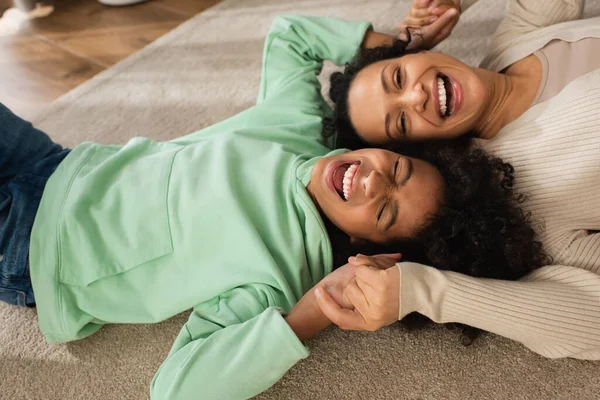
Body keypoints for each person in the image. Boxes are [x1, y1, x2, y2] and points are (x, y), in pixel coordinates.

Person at [0, 15, 544, 399]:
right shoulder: (299, 130)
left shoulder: (276, 275)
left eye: (383, 211)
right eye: (397, 168)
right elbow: (293, 36)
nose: (375, 182)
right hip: (59, 165)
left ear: (362, 245)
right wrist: (387, 42)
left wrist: (307, 317)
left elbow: (177, 386)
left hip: (31, 248)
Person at [316, 0, 600, 360]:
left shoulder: (514, 44)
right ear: (422, 147)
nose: (416, 95)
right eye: (401, 122)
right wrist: (427, 292)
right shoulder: (534, 204)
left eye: (399, 77)